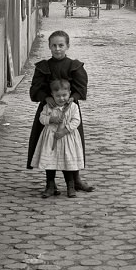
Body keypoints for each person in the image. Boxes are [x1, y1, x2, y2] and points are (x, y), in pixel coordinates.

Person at [25, 30, 95, 194]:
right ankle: (50, 183)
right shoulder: (44, 67)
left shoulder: (74, 66)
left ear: (67, 46)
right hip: (49, 111)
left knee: (71, 147)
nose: (57, 49)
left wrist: (72, 98)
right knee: (48, 146)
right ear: (49, 47)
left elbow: (81, 89)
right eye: (54, 45)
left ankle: (75, 180)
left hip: (69, 112)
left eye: (61, 45)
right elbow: (35, 90)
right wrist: (45, 97)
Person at [35, 77, 85, 197]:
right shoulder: (49, 107)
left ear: (69, 94)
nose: (62, 98)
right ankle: (50, 185)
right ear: (52, 95)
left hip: (67, 138)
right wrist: (50, 119)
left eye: (64, 95)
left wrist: (65, 130)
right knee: (50, 162)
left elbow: (76, 120)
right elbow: (41, 118)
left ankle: (70, 186)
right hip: (51, 137)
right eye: (58, 96)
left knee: (67, 162)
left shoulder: (73, 107)